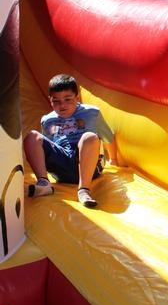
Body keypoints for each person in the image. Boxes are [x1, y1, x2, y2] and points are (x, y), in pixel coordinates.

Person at [23, 73, 117, 208]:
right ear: (50, 100)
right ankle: (44, 183)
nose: (62, 105)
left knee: (89, 137)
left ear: (77, 97)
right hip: (61, 168)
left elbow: (108, 136)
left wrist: (113, 159)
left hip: (88, 164)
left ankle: (84, 190)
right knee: (32, 136)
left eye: (68, 99)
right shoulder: (47, 120)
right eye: (56, 101)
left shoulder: (91, 113)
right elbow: (44, 147)